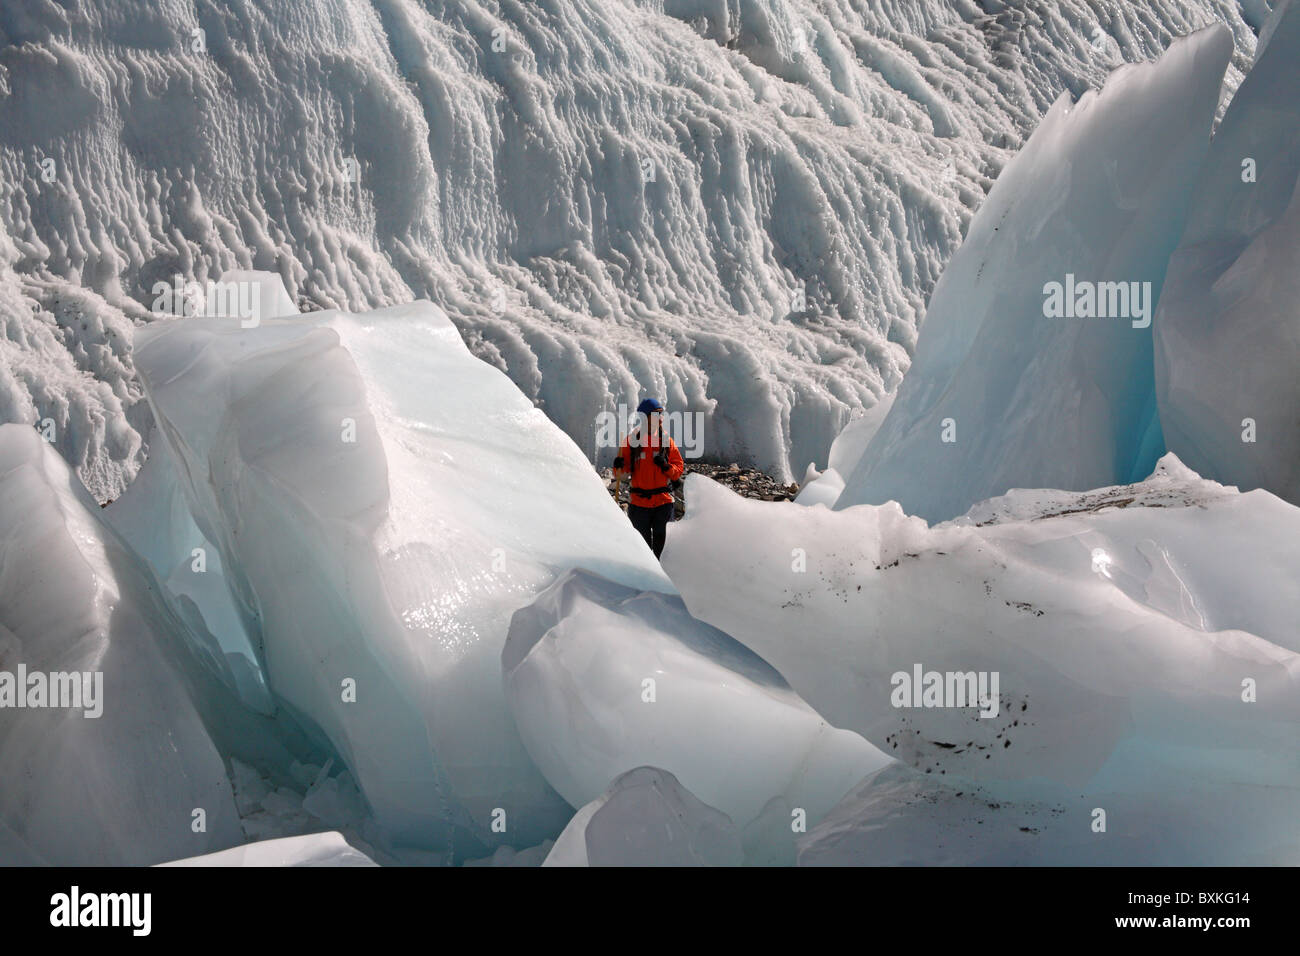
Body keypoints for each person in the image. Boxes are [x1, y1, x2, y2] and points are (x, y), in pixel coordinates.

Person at [613, 398, 685, 558]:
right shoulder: (632, 442)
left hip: (663, 502)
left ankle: (664, 581)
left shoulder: (666, 441)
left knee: (665, 551)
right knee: (641, 551)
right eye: (656, 414)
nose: (660, 418)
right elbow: (621, 475)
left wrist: (666, 467)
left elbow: (678, 468)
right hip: (639, 504)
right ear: (645, 417)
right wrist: (618, 466)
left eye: (661, 414)